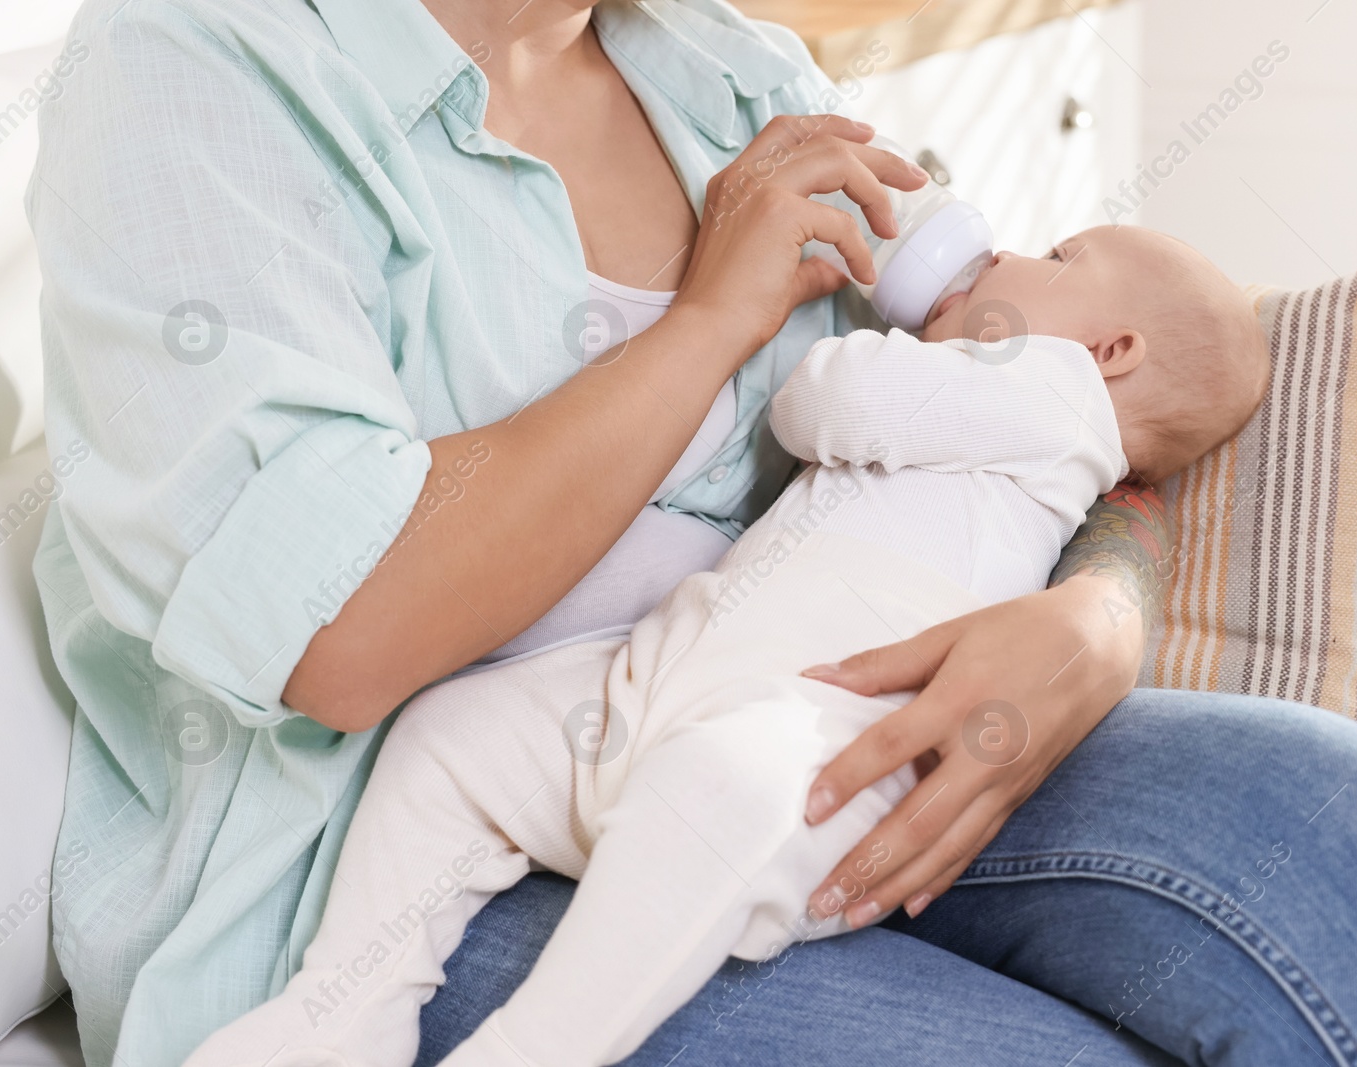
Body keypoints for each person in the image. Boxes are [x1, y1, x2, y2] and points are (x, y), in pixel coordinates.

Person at [27, 0, 1357, 1065]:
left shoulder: (725, 75)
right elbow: (341, 634)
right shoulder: (201, 70)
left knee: (1335, 811)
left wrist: (1096, 618)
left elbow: (1041, 383)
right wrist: (705, 322)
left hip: (811, 716)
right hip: (426, 852)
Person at [183, 225, 1274, 1067]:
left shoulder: (1049, 385)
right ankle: (342, 1014)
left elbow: (822, 398)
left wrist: (882, 337)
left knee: (704, 792)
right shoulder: (1032, 412)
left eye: (1060, 253)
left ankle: (489, 1039)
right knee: (455, 730)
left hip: (806, 741)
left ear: (1109, 351)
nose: (1013, 248)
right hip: (670, 678)